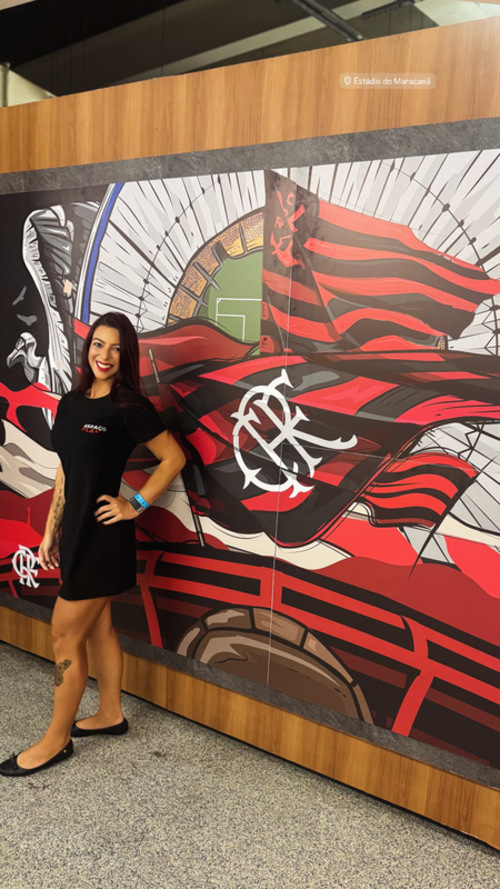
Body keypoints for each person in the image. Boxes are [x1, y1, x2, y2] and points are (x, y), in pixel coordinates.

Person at [0, 312, 186, 777]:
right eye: (98, 345)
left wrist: (134, 504)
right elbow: (66, 468)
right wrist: (51, 529)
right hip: (75, 532)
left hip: (104, 538)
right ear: (88, 349)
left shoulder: (128, 407)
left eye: (116, 348)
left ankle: (56, 740)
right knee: (100, 627)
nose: (105, 355)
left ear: (127, 355)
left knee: (64, 635)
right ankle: (110, 713)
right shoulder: (71, 403)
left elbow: (173, 458)